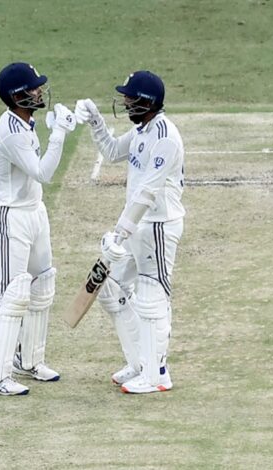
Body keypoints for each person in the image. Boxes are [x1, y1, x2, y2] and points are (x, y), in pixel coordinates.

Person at [74, 70, 185, 394]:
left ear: (147, 102)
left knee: (152, 298)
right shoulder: (141, 131)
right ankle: (139, 363)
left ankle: (157, 375)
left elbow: (147, 193)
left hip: (159, 227)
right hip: (138, 227)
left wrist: (118, 234)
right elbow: (110, 151)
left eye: (130, 98)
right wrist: (95, 120)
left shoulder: (164, 137)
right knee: (111, 287)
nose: (124, 102)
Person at [0, 62, 76, 396]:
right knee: (10, 296)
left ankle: (28, 360)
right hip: (11, 218)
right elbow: (43, 172)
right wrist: (60, 133)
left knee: (42, 283)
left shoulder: (26, 121)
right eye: (34, 88)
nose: (39, 92)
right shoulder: (10, 131)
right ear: (17, 95)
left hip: (34, 211)